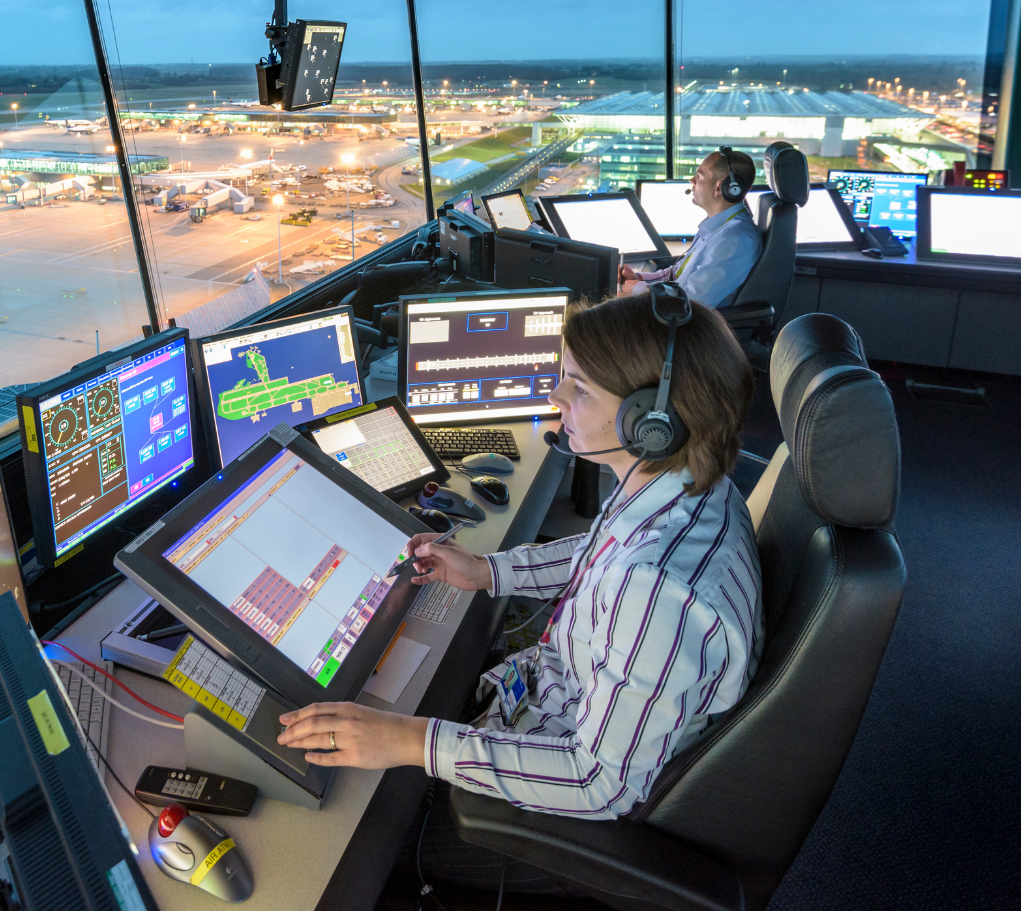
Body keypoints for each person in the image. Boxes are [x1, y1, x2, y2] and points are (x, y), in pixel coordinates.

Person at [276, 286, 762, 893]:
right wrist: (489, 572)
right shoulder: (685, 488)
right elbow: (599, 552)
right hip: (560, 701)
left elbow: (595, 782)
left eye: (579, 388)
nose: (555, 396)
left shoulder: (658, 589)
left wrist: (409, 741)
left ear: (652, 424)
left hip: (562, 813)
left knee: (340, 831)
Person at [621, 147, 763, 308]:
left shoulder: (733, 241)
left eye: (699, 176)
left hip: (687, 326)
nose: (692, 180)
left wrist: (635, 290)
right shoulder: (717, 227)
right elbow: (676, 274)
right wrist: (638, 278)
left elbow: (693, 302)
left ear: (720, 187)